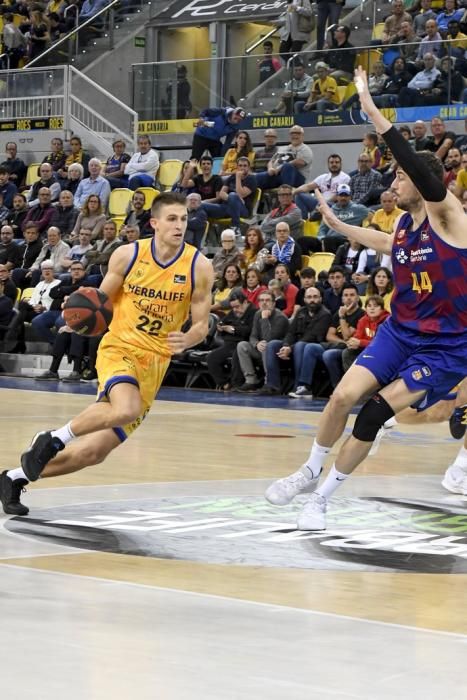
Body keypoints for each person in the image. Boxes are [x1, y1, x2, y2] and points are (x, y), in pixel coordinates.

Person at [264, 65, 467, 531]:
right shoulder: (402, 224)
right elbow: (382, 243)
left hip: (445, 344)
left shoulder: (448, 216)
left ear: (422, 181)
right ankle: (309, 470)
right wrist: (337, 227)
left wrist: (371, 108)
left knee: (374, 413)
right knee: (340, 398)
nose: (393, 184)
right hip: (401, 331)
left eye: (400, 177)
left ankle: (323, 499)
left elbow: (412, 162)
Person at [0, 192, 214, 516]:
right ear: (154, 223)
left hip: (155, 362)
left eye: (183, 219)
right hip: (121, 346)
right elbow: (102, 298)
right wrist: (78, 320)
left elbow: (201, 323)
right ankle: (54, 438)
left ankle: (14, 477)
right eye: (172, 218)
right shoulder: (128, 255)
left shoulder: (199, 266)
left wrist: (188, 338)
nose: (179, 225)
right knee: (126, 409)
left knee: (94, 453)